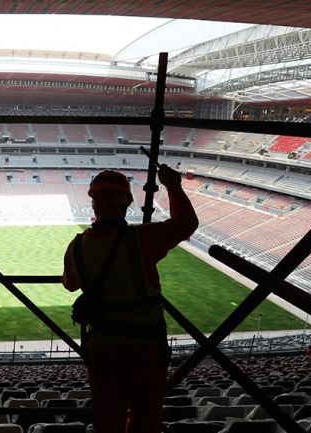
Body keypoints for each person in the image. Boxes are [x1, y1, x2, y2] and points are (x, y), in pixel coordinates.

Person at [62, 165, 198, 433]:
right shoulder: (143, 237)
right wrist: (173, 185)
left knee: (106, 416)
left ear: (93, 204)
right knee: (145, 417)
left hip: (103, 346)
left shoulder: (76, 246)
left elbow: (70, 284)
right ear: (127, 202)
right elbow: (186, 224)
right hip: (145, 345)